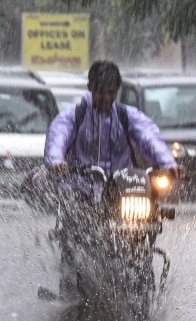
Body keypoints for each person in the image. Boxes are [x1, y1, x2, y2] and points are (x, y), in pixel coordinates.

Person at [43, 59, 186, 299]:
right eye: (102, 92)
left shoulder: (127, 116)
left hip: (123, 191)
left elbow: (149, 137)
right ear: (90, 87)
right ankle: (70, 292)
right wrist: (57, 162)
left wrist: (169, 164)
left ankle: (140, 270)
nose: (107, 99)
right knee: (73, 235)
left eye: (112, 93)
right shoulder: (73, 115)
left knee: (149, 217)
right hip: (82, 191)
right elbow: (58, 137)